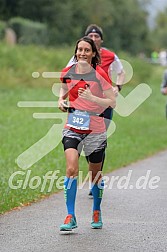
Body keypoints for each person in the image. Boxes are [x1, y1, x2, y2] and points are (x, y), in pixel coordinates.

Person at [58, 36, 116, 231]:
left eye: (86, 50)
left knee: (95, 174)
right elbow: (64, 87)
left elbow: (111, 102)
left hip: (96, 129)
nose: (82, 53)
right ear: (76, 52)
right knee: (71, 169)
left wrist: (92, 98)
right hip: (73, 126)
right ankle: (70, 215)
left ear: (93, 54)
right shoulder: (68, 72)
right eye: (79, 49)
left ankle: (96, 210)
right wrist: (61, 100)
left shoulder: (99, 74)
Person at [67, 24, 125, 196]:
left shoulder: (110, 56)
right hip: (83, 106)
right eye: (90, 36)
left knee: (98, 142)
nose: (93, 38)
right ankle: (94, 174)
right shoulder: (78, 55)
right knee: (85, 140)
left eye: (96, 36)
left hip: (103, 104)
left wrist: (117, 87)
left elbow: (121, 72)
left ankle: (96, 178)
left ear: (101, 39)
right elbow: (67, 74)